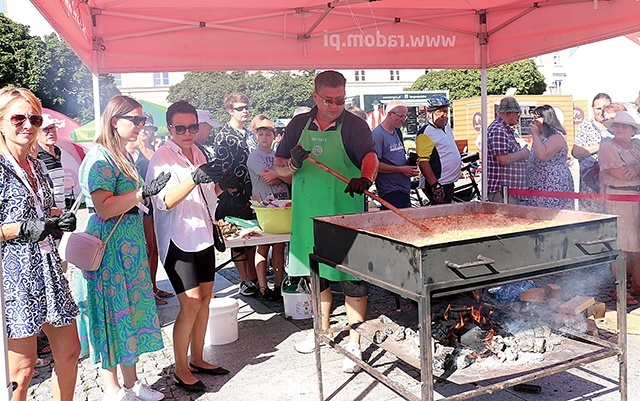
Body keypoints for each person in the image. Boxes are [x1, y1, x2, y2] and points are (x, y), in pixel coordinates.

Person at [274, 70, 378, 373]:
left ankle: (355, 342)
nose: (334, 105)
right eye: (328, 100)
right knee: (315, 275)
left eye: (340, 100)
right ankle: (321, 331)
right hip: (309, 212)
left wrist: (365, 177)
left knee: (352, 279)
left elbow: (369, 156)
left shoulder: (355, 125)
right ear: (316, 96)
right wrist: (293, 162)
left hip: (346, 212)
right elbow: (280, 168)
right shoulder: (298, 124)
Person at [77, 95, 170, 401]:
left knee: (129, 312)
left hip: (127, 248)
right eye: (137, 119)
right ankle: (112, 388)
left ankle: (132, 383)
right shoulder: (100, 158)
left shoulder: (121, 155)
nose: (142, 125)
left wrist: (142, 198)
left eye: (143, 120)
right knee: (110, 315)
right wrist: (143, 193)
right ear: (116, 121)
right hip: (109, 249)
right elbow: (103, 208)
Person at [0, 87, 79, 401]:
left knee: (70, 351)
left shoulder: (40, 167)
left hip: (49, 268)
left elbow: (45, 213)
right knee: (22, 368)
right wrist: (21, 228)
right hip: (14, 276)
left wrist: (58, 221)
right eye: (18, 118)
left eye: (34, 118)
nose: (28, 126)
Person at [147, 100, 229, 392]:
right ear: (169, 128)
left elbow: (209, 195)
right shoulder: (161, 157)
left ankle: (198, 358)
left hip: (203, 234)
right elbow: (164, 201)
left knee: (206, 297)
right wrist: (194, 178)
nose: (187, 132)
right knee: (191, 301)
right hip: (177, 237)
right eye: (180, 128)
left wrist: (221, 181)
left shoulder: (200, 152)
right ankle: (180, 368)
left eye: (192, 127)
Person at [126, 113, 174, 306]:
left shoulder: (155, 150)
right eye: (142, 127)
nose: (145, 131)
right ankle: (147, 290)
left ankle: (153, 286)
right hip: (141, 203)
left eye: (148, 127)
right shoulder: (132, 150)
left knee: (154, 247)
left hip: (155, 202)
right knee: (148, 247)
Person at [213, 92, 258, 296]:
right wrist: (230, 187)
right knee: (238, 238)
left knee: (254, 235)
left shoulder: (250, 134)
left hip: (252, 191)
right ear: (230, 110)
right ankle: (244, 279)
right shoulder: (223, 135)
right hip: (233, 193)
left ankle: (253, 275)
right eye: (240, 108)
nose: (245, 110)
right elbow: (222, 167)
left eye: (247, 107)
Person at [247, 117, 290, 300]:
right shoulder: (254, 157)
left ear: (274, 136)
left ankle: (279, 283)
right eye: (261, 133)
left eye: (268, 134)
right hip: (265, 206)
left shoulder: (277, 155)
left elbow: (289, 177)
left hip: (282, 203)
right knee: (263, 247)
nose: (265, 137)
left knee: (279, 247)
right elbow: (269, 178)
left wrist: (281, 175)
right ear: (256, 136)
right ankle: (263, 286)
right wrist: (282, 174)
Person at [599, 111, 640, 305]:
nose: (620, 129)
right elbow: (622, 174)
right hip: (619, 198)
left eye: (625, 126)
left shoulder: (638, 145)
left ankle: (637, 284)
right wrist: (635, 168)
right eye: (617, 126)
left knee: (637, 245)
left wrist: (636, 167)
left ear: (633, 130)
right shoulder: (607, 147)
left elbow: (632, 171)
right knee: (621, 245)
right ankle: (620, 288)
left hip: (637, 198)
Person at [371, 100, 418, 209]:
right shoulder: (378, 135)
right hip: (390, 190)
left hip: (403, 187)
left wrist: (408, 162)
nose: (402, 120)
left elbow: (395, 157)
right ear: (389, 114)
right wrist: (401, 169)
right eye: (400, 116)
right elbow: (375, 165)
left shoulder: (397, 131)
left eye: (404, 117)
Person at [527, 105, 575, 209]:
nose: (534, 121)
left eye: (537, 117)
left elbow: (543, 155)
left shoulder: (557, 137)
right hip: (538, 183)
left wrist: (534, 134)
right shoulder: (540, 137)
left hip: (553, 183)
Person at [416, 94, 461, 204]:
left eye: (445, 112)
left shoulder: (446, 128)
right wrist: (435, 185)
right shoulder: (425, 133)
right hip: (438, 184)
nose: (443, 115)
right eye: (438, 112)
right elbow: (423, 162)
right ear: (429, 114)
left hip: (448, 183)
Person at [571, 93, 612, 212]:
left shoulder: (615, 126)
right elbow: (576, 151)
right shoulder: (586, 126)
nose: (602, 111)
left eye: (605, 107)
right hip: (590, 181)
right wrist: (601, 146)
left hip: (612, 179)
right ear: (592, 108)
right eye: (598, 108)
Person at [486, 96, 530, 204]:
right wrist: (522, 154)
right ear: (509, 113)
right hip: (502, 193)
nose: (518, 117)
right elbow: (502, 159)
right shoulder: (498, 130)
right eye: (517, 114)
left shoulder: (504, 129)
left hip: (508, 191)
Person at [37, 114, 66, 210]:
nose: (51, 132)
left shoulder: (58, 151)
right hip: (47, 212)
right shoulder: (36, 154)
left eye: (52, 128)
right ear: (37, 133)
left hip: (61, 210)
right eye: (45, 129)